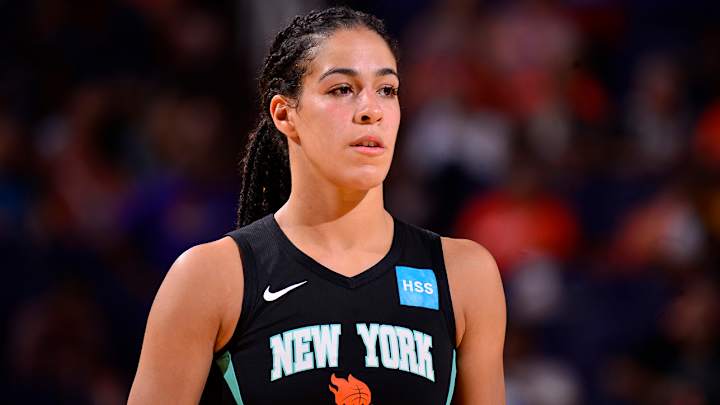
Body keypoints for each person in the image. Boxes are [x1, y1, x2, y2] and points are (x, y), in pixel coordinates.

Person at [128, 6, 506, 405]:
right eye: (342, 89)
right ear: (284, 114)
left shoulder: (464, 275)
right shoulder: (211, 277)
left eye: (386, 89)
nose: (371, 110)